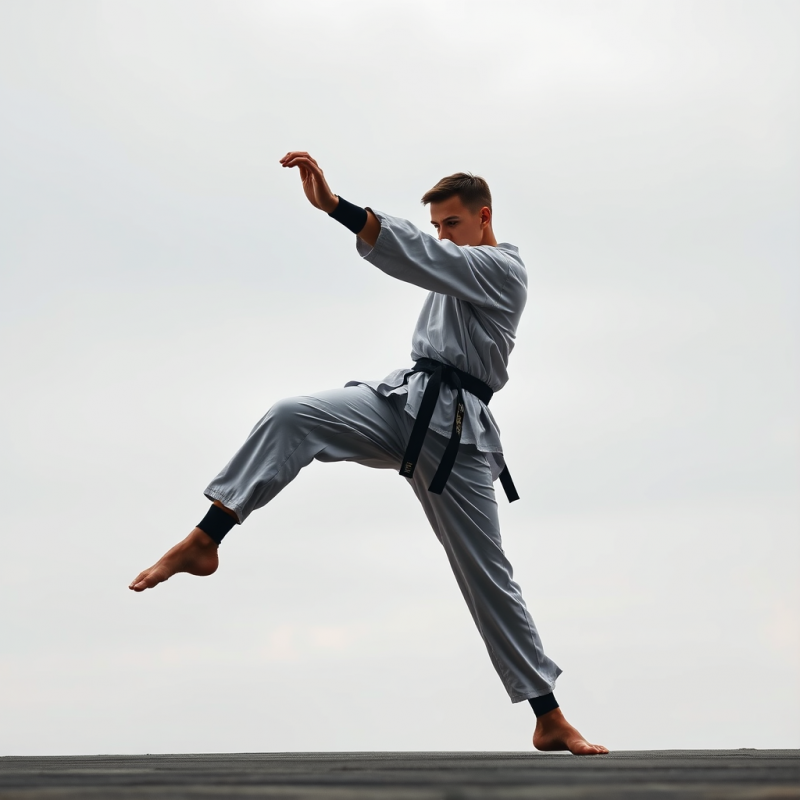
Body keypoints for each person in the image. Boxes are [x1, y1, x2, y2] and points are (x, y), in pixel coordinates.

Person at [129, 152, 608, 755]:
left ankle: (548, 715)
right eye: (436, 225)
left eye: (452, 224)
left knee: (487, 576)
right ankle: (208, 536)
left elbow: (421, 255)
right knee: (290, 415)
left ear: (484, 218)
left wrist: (336, 209)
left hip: (458, 435)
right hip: (404, 404)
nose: (442, 235)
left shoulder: (501, 269)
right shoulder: (454, 261)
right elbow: (422, 253)